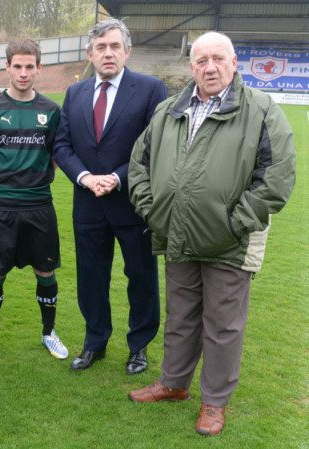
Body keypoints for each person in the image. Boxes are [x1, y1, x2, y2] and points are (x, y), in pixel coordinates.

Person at [127, 32, 295, 436]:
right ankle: (174, 383)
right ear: (191, 66)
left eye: (218, 59)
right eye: (202, 60)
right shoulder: (169, 110)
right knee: (181, 317)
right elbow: (139, 166)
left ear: (234, 62)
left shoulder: (261, 110)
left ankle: (215, 402)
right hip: (179, 235)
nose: (210, 67)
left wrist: (235, 223)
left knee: (223, 325)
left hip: (231, 242)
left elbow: (276, 177)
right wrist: (156, 214)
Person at [52, 18, 166, 374]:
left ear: (127, 51)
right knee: (91, 278)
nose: (108, 53)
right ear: (90, 53)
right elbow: (62, 144)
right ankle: (95, 342)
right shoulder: (75, 93)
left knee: (141, 277)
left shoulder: (150, 89)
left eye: (115, 46)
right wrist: (86, 178)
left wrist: (117, 178)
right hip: (88, 203)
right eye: (101, 47)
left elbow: (153, 147)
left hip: (133, 205)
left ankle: (139, 346)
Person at [0, 38, 66, 360]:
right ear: (7, 67)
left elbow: (55, 154)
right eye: (17, 66)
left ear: (39, 68)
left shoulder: (51, 111)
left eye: (30, 66)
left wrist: (39, 180)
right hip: (1, 208)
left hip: (40, 206)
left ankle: (49, 333)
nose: (23, 73)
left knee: (46, 272)